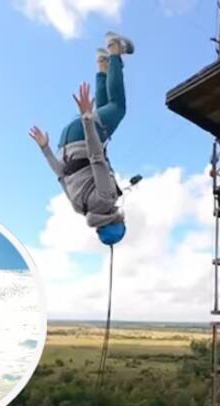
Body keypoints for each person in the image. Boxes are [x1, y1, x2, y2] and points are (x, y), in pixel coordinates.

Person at [29, 31, 134, 246]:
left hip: (82, 136)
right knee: (105, 110)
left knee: (117, 107)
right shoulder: (81, 208)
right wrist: (45, 148)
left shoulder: (106, 200)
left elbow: (96, 158)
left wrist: (87, 117)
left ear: (116, 221)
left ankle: (114, 49)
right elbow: (61, 174)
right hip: (63, 143)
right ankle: (102, 64)